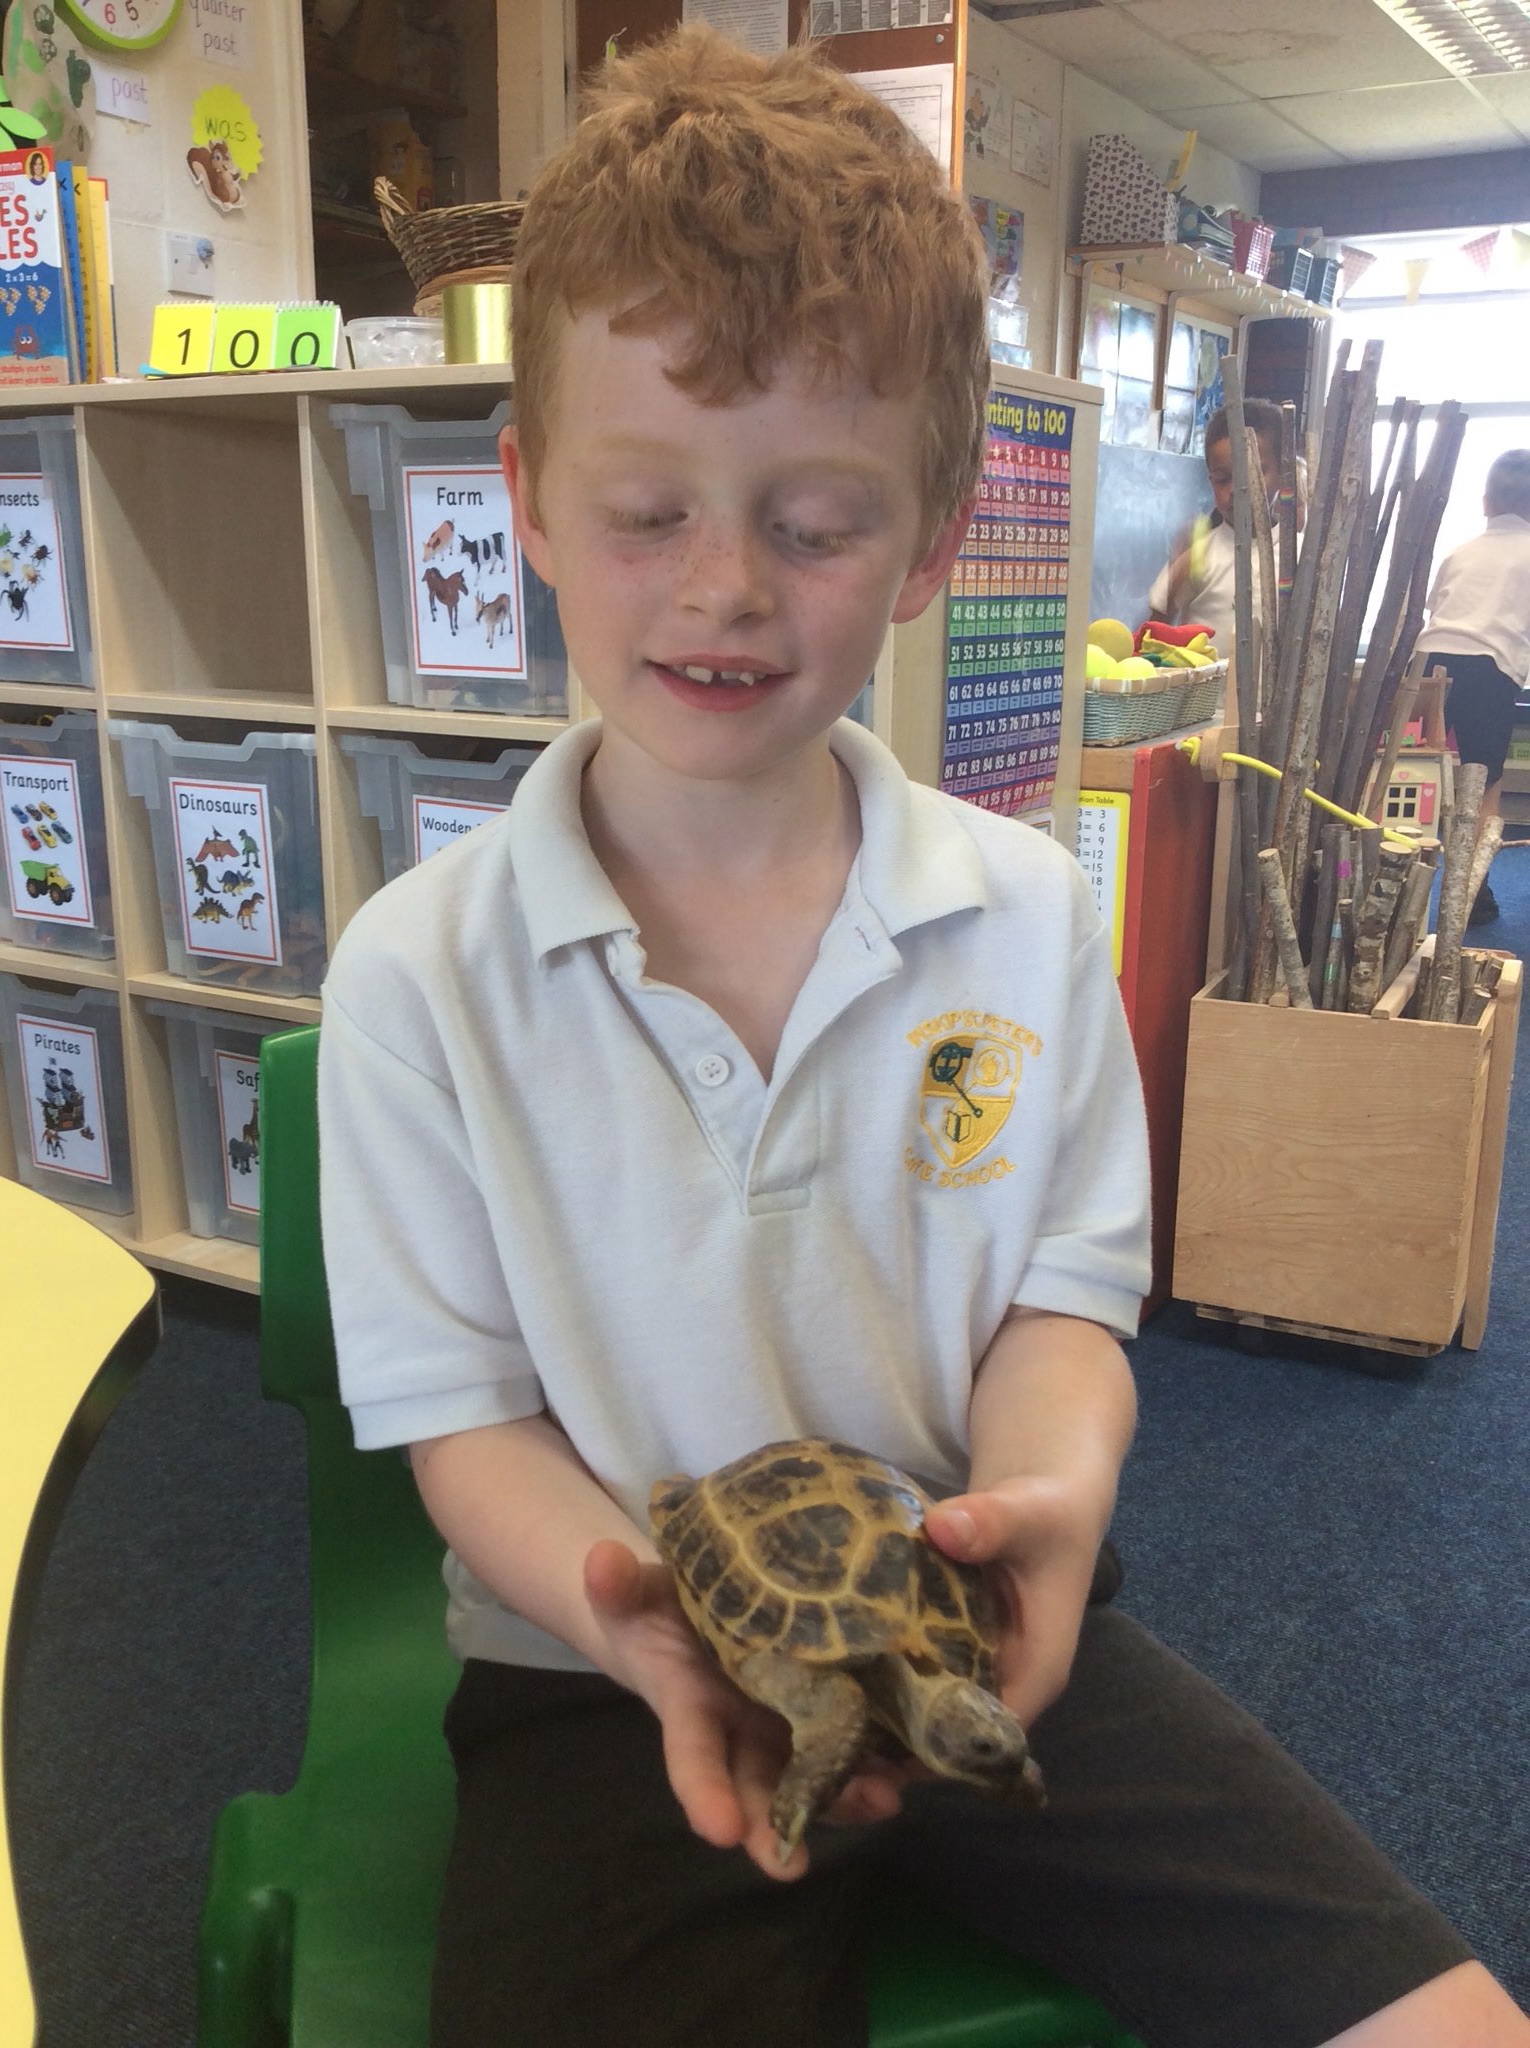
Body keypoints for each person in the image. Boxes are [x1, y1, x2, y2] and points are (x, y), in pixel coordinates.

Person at [318, 29, 1530, 2048]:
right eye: (645, 510)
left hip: (969, 1612)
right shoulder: (416, 977)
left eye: (810, 523)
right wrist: (636, 1625)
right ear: (524, 496)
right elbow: (467, 1427)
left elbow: (1059, 1314)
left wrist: (1053, 1493)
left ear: (936, 530)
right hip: (600, 1674)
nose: (721, 585)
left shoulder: (1029, 916)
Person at [1415, 448, 1530, 923]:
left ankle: (1407, 881)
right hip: (1490, 668)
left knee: (1424, 774)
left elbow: (1434, 606)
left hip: (1430, 662)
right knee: (1486, 785)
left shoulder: (1461, 552)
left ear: (1485, 502)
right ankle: (1474, 892)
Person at [1148, 397, 1289, 660]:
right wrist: (1176, 576)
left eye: (1251, 474)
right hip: (1207, 702)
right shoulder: (1200, 555)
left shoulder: (1302, 555)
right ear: (1210, 478)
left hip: (1277, 703)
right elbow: (1152, 638)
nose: (1236, 490)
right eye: (1223, 479)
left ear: (1283, 472)